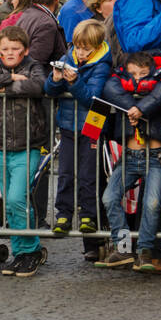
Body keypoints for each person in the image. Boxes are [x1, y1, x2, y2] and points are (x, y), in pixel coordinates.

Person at [0, 28, 48, 277]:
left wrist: (3, 91)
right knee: (10, 202)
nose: (9, 54)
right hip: (0, 146)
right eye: (5, 49)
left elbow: (38, 86)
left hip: (28, 146)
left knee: (17, 198)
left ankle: (31, 249)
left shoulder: (34, 66)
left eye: (15, 49)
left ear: (25, 50)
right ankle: (20, 253)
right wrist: (9, 80)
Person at [98, 51, 161, 272]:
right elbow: (109, 88)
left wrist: (141, 108)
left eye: (143, 74)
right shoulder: (118, 84)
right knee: (109, 198)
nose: (137, 80)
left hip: (155, 157)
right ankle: (123, 247)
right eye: (132, 74)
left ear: (152, 72)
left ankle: (145, 251)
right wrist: (133, 107)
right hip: (129, 157)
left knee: (152, 204)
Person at [45, 17, 112, 256]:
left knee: (88, 174)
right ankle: (63, 214)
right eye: (78, 46)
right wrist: (54, 79)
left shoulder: (102, 65)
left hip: (91, 125)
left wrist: (73, 82)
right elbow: (49, 90)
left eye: (86, 49)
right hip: (68, 125)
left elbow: (91, 97)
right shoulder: (68, 57)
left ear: (96, 47)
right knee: (65, 172)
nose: (81, 53)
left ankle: (89, 216)